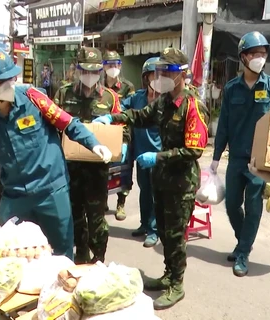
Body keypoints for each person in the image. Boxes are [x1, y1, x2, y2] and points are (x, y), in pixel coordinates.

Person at [0, 47, 113, 260]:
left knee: (61, 254)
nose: (9, 84)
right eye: (0, 81)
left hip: (51, 192)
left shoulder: (34, 98)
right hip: (15, 197)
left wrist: (93, 143)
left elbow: (68, 123)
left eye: (11, 78)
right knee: (12, 254)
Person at [93, 47, 209, 310]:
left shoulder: (192, 105)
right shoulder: (165, 101)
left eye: (166, 71)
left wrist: (157, 158)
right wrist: (113, 117)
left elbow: (194, 149)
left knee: (177, 236)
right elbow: (140, 116)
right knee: (166, 233)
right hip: (162, 180)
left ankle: (177, 284)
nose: (161, 76)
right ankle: (168, 273)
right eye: (159, 71)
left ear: (181, 74)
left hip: (182, 183)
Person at [210, 31, 270, 277]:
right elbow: (224, 125)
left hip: (260, 160)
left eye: (263, 54)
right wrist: (216, 156)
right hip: (237, 157)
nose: (260, 58)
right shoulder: (231, 89)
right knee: (231, 204)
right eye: (254, 53)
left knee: (253, 207)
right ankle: (244, 241)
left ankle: (242, 253)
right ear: (243, 57)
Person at [53, 47, 130, 264]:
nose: (90, 75)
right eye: (86, 70)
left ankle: (99, 257)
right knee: (75, 213)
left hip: (98, 167)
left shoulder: (109, 97)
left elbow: (122, 124)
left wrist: (122, 144)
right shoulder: (63, 94)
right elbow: (51, 122)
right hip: (70, 165)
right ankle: (81, 252)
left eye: (95, 71)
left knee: (97, 217)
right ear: (77, 69)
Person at [122, 57, 162, 248]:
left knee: (156, 194)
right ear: (146, 78)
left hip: (158, 156)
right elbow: (121, 107)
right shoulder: (137, 97)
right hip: (140, 154)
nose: (157, 79)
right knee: (144, 191)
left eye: (160, 75)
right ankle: (144, 224)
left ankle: (154, 231)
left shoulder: (166, 100)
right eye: (153, 75)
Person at [102, 50, 135, 221]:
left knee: (122, 171)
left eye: (116, 64)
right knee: (103, 170)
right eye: (109, 64)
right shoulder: (99, 86)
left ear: (120, 66)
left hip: (122, 134)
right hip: (103, 134)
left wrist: (126, 139)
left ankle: (121, 204)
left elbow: (129, 114)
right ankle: (103, 200)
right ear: (103, 66)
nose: (113, 68)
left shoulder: (127, 87)